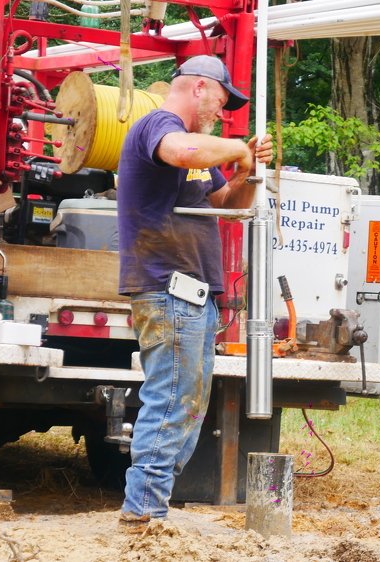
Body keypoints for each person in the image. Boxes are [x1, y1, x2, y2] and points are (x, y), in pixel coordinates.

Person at [115, 55, 274, 523]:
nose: (221, 113)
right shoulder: (159, 126)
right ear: (199, 87)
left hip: (191, 294)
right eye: (220, 101)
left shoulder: (199, 151)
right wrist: (236, 148)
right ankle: (143, 511)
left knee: (187, 405)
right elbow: (184, 152)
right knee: (172, 400)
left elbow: (226, 202)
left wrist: (246, 171)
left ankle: (150, 507)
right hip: (169, 288)